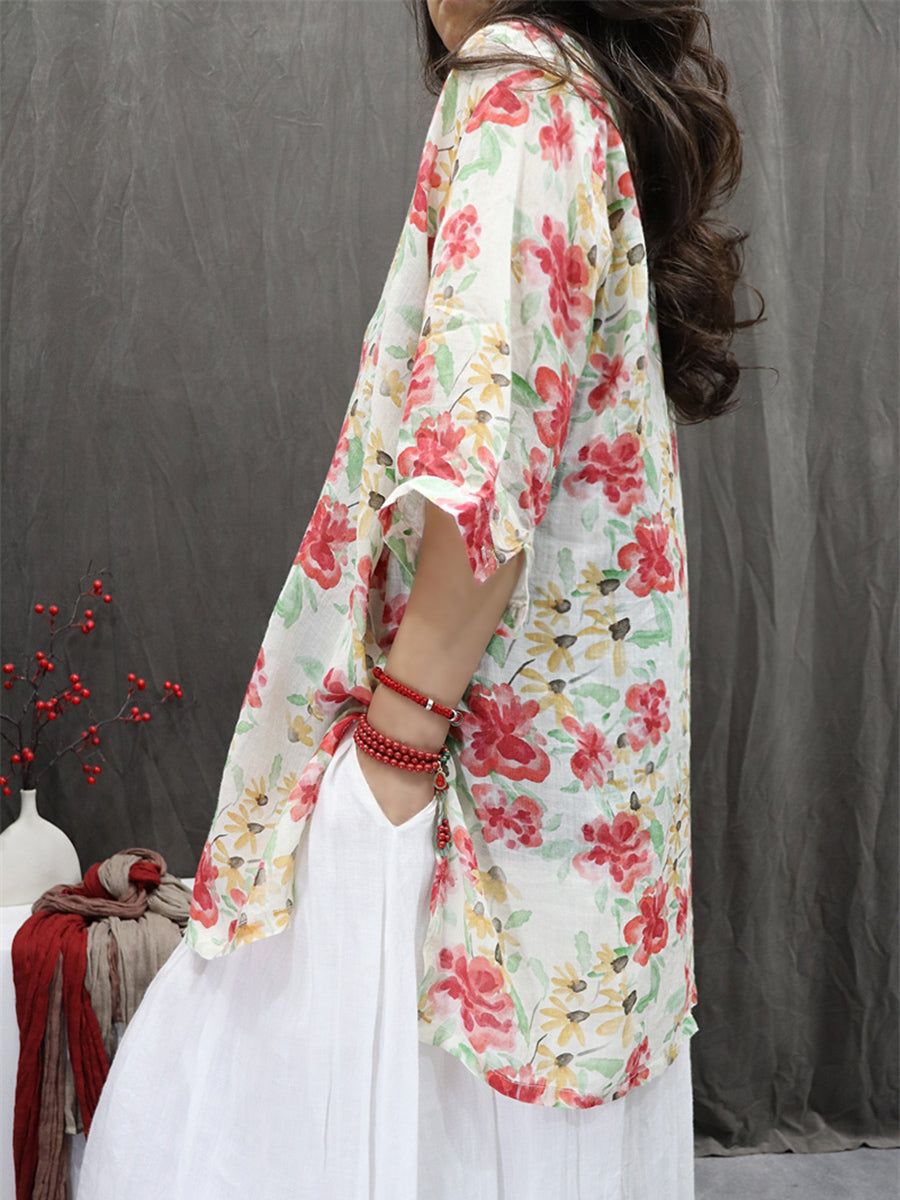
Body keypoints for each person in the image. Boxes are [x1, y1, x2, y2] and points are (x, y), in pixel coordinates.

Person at [75, 2, 762, 1197]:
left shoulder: (518, 101)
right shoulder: (575, 101)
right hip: (569, 776)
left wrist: (396, 737)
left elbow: (483, 464)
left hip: (464, 767)